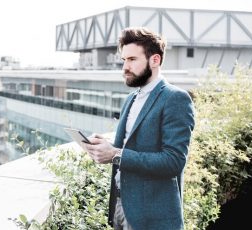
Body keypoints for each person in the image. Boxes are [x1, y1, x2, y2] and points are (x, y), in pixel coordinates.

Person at [81, 27, 195, 230]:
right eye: (124, 60)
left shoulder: (175, 98)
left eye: (132, 59)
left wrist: (115, 154)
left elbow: (173, 161)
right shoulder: (131, 99)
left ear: (155, 60)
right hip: (120, 205)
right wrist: (103, 147)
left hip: (152, 217)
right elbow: (127, 146)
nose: (125, 67)